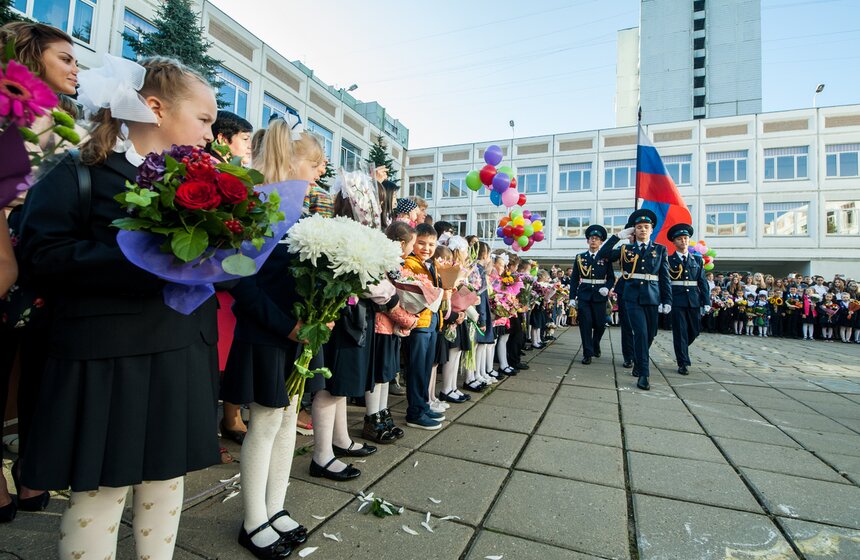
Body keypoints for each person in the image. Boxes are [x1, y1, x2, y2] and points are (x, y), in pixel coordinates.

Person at [17, 54, 219, 560]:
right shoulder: (79, 169)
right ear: (156, 108)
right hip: (108, 358)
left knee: (166, 484)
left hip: (178, 350)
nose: (211, 134)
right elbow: (42, 255)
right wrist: (142, 263)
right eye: (204, 119)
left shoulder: (203, 183)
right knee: (100, 491)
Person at [220, 119, 320, 558]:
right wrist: (287, 325)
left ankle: (275, 507)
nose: (318, 174)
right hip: (265, 332)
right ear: (290, 160)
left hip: (295, 336)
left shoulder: (301, 214)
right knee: (263, 424)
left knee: (286, 420)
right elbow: (240, 280)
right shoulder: (258, 206)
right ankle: (253, 519)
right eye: (314, 164)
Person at [0, 20, 81, 517]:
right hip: (7, 248)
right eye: (65, 59)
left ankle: (32, 471)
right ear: (32, 58)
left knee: (41, 370)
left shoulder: (67, 119)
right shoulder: (6, 112)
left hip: (49, 258)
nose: (75, 69)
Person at [597, 209, 671, 390]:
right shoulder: (626, 249)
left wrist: (667, 300)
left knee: (651, 334)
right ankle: (644, 373)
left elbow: (665, 277)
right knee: (640, 333)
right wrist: (617, 236)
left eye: (646, 227)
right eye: (639, 227)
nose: (642, 230)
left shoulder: (660, 249)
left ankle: (638, 360)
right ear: (634, 231)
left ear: (651, 230)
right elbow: (602, 254)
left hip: (652, 296)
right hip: (632, 296)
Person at [404, 223, 446, 430]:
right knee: (417, 368)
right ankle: (415, 411)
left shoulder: (429, 264)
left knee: (426, 367)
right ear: (413, 242)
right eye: (421, 243)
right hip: (419, 323)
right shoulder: (409, 263)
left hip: (432, 321)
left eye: (431, 244)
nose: (426, 248)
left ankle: (423, 404)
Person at [666, 224, 709, 375]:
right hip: (676, 300)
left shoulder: (697, 260)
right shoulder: (668, 260)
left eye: (685, 238)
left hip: (693, 300)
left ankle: (682, 347)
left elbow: (702, 282)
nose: (683, 241)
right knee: (680, 332)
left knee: (694, 330)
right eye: (679, 239)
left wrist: (706, 301)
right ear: (674, 242)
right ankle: (683, 362)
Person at [569, 224, 614, 365]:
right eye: (591, 238)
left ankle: (596, 343)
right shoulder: (580, 257)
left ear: (601, 242)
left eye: (597, 239)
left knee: (600, 324)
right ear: (587, 241)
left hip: (600, 295)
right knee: (585, 324)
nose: (594, 240)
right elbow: (574, 279)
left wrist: (607, 287)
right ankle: (587, 353)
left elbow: (611, 277)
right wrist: (572, 297)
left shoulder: (605, 258)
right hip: (584, 295)